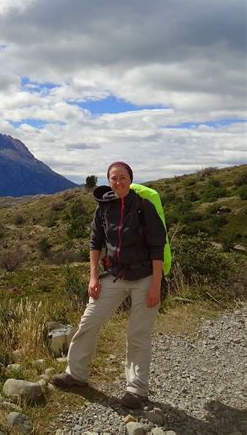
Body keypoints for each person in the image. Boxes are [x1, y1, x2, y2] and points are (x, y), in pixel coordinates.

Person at [52, 161, 166, 409]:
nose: (118, 182)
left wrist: (156, 284)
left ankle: (136, 390)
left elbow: (157, 248)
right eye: (113, 178)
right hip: (114, 275)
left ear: (130, 179)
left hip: (145, 277)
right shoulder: (104, 207)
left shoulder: (144, 206)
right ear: (108, 181)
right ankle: (76, 374)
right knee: (89, 321)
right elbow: (96, 241)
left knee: (138, 333)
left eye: (122, 178)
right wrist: (93, 275)